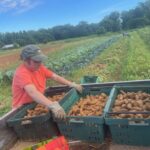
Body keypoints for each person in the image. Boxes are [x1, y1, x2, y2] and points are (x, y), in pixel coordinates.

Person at [12, 44, 83, 119]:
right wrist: (52, 105)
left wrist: (71, 84)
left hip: (38, 102)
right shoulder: (21, 73)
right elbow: (32, 92)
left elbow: (55, 77)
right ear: (26, 60)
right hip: (22, 110)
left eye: (40, 60)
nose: (40, 63)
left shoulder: (40, 68)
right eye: (36, 61)